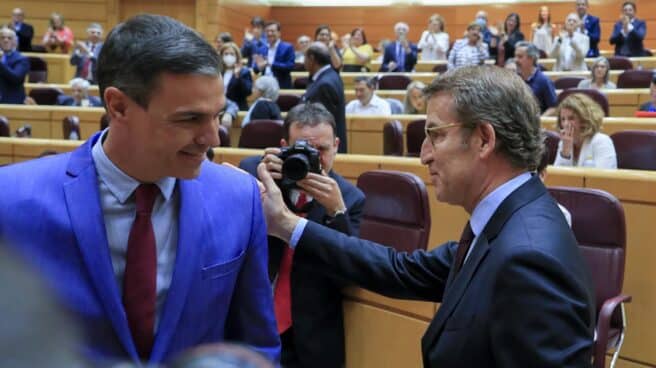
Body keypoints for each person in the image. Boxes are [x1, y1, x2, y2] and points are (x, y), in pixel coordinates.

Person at [257, 65, 595, 367]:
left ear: (484, 139)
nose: (423, 156)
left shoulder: (529, 258)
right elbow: (399, 269)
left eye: (435, 135)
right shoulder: (503, 223)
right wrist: (287, 225)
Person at [0, 14, 280, 364]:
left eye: (216, 116)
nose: (211, 138)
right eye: (189, 118)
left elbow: (255, 349)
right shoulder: (10, 200)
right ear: (118, 106)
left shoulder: (240, 198)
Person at [239, 102, 365, 368]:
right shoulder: (257, 174)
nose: (313, 159)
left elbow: (348, 277)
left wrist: (337, 212)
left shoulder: (350, 199)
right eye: (303, 149)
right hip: (254, 324)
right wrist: (265, 182)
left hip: (311, 335)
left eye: (321, 149)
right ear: (284, 145)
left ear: (337, 146)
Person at [301, 42, 347, 153]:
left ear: (311, 58)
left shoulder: (324, 84)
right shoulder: (330, 75)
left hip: (323, 150)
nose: (303, 62)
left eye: (305, 58)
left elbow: (321, 123)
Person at [554, 93, 617, 169]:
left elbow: (602, 179)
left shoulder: (602, 142)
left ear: (584, 119)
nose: (566, 124)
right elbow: (557, 177)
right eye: (563, 119)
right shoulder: (563, 143)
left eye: (571, 118)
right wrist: (565, 152)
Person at [515, 41, 557, 116]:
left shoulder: (544, 81)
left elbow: (553, 107)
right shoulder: (514, 79)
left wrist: (540, 120)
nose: (516, 60)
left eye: (520, 57)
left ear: (531, 59)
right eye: (515, 56)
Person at [252, 21, 295, 89]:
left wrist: (271, 64)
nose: (269, 33)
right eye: (267, 31)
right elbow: (255, 69)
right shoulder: (261, 49)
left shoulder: (288, 47)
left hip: (280, 85)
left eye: (272, 31)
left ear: (279, 33)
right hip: (264, 86)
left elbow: (290, 67)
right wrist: (259, 67)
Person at [218, 42, 252, 110]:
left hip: (237, 108)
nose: (229, 56)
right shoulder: (219, 72)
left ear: (237, 56)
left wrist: (238, 76)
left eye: (232, 54)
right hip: (220, 107)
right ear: (221, 56)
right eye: (226, 54)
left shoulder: (244, 72)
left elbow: (248, 92)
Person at [0, 27, 29, 104]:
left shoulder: (22, 59)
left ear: (15, 42)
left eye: (9, 38)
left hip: (12, 102)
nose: (5, 40)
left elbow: (16, 78)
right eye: (2, 38)